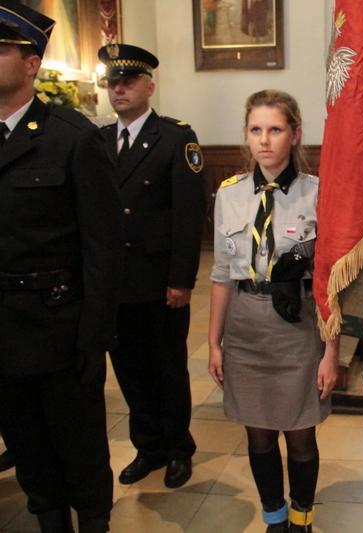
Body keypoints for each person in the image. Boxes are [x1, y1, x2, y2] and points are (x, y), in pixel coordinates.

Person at [0, 2, 121, 531]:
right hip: (3, 327)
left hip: (58, 325)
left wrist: (94, 336)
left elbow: (103, 247)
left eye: (0, 50)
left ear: (31, 64)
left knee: (81, 450)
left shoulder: (71, 137)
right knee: (29, 452)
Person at [207, 90, 338, 533]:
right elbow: (222, 274)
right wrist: (214, 342)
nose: (264, 140)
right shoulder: (229, 194)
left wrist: (332, 351)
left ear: (294, 134)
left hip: (298, 325)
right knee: (258, 434)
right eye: (256, 129)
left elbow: (331, 282)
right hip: (246, 325)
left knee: (301, 435)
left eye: (275, 129)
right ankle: (275, 518)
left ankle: (302, 518)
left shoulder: (318, 194)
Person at [99, 43, 206, 489]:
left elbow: (189, 215)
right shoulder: (99, 141)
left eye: (128, 82)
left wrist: (181, 279)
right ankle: (148, 447)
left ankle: (178, 448)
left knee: (167, 368)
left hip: (160, 281)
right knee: (129, 369)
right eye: (112, 83)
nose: (119, 89)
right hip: (115, 284)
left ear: (149, 87)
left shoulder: (175, 138)